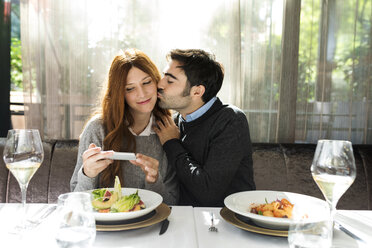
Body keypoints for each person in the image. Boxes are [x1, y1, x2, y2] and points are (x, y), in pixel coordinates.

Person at [70, 48, 178, 205]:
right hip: (107, 226)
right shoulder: (97, 129)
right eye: (130, 88)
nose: (142, 93)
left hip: (150, 225)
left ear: (157, 82)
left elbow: (173, 204)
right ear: (120, 93)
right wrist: (88, 174)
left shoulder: (168, 129)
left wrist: (154, 181)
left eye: (147, 82)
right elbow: (75, 202)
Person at [155, 49, 255, 207]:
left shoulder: (230, 121)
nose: (160, 84)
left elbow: (207, 192)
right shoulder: (174, 122)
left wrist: (172, 144)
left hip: (227, 224)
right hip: (185, 221)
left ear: (197, 91)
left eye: (170, 80)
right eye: (163, 76)